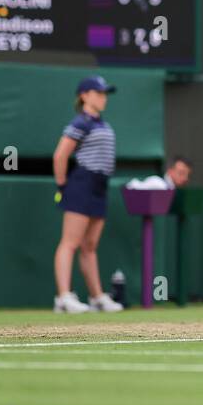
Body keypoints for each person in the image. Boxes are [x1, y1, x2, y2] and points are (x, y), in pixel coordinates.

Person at [51, 76, 125, 314]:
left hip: (99, 186)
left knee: (90, 245)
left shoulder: (101, 123)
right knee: (70, 243)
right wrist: (62, 188)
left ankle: (97, 297)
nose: (103, 98)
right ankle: (63, 297)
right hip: (81, 184)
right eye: (98, 92)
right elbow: (60, 156)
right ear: (84, 95)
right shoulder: (80, 123)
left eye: (105, 93)